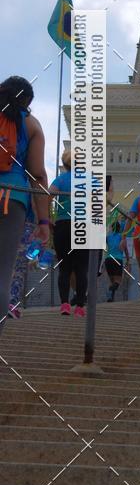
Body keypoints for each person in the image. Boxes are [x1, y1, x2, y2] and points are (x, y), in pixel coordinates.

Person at [0, 77, 49, 328]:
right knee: (3, 275)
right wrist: (43, 221)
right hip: (13, 200)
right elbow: (38, 174)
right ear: (27, 101)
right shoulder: (30, 124)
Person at [49, 150, 90, 317]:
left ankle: (65, 304)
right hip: (83, 225)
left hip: (63, 224)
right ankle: (80, 306)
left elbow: (47, 196)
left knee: (64, 268)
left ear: (65, 164)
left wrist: (47, 219)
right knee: (82, 268)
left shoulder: (61, 179)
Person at [104, 216, 128, 301]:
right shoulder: (122, 237)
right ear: (119, 228)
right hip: (118, 259)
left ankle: (111, 297)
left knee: (112, 281)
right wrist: (128, 260)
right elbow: (125, 248)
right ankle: (110, 291)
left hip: (108, 259)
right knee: (118, 281)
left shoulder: (108, 237)